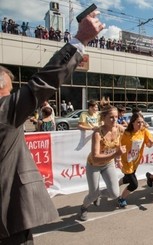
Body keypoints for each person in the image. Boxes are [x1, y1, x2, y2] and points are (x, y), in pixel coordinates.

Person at [0, 8, 103, 244]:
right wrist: (80, 39)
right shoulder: (5, 111)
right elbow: (43, 82)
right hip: (9, 220)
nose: (13, 98)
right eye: (9, 93)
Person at [79, 105, 126, 221]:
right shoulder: (97, 133)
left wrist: (118, 160)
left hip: (108, 164)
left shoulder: (119, 128)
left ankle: (97, 194)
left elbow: (123, 140)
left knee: (115, 194)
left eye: (116, 117)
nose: (114, 119)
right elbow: (95, 157)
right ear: (103, 118)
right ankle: (84, 207)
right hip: (94, 165)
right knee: (92, 194)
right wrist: (116, 155)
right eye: (111, 117)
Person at [118, 113, 153, 206]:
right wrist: (117, 159)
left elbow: (149, 145)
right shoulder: (126, 133)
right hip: (126, 161)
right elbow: (118, 146)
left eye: (142, 122)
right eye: (138, 122)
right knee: (134, 184)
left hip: (135, 161)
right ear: (133, 122)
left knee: (127, 178)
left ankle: (115, 185)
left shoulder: (144, 131)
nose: (140, 125)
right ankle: (121, 198)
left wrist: (150, 143)